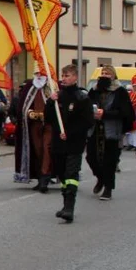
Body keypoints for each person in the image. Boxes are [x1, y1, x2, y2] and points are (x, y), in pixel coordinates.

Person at [45, 65, 94, 223]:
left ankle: (69, 207)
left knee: (71, 174)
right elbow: (48, 118)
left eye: (67, 75)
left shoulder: (82, 97)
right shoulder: (58, 96)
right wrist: (50, 103)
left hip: (74, 142)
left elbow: (87, 121)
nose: (64, 78)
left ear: (75, 77)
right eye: (63, 75)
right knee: (61, 173)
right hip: (58, 142)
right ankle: (65, 202)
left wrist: (70, 132)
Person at [86, 65, 132, 201]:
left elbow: (125, 112)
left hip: (111, 130)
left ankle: (108, 188)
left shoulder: (120, 92)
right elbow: (86, 106)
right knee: (91, 157)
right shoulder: (93, 91)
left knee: (109, 161)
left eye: (108, 73)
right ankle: (100, 178)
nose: (105, 75)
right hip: (94, 129)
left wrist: (105, 114)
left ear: (113, 76)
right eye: (103, 73)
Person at [12, 70, 53, 192]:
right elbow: (22, 106)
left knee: (47, 149)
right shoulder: (29, 86)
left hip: (49, 124)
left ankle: (45, 177)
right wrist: (29, 113)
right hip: (34, 124)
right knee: (37, 150)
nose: (39, 75)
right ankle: (40, 177)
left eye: (41, 72)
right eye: (37, 73)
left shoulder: (52, 85)